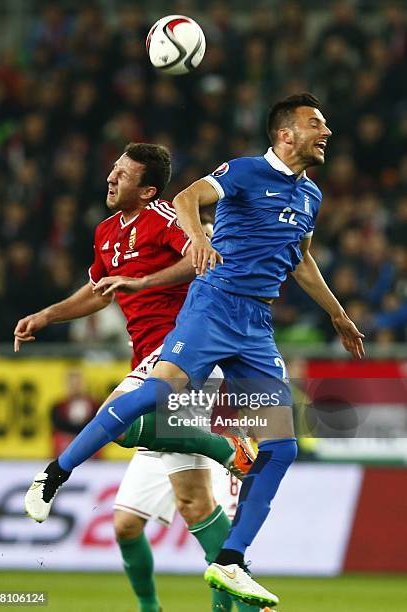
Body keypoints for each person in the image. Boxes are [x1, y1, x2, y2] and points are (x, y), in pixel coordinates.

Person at [22, 94, 365, 608]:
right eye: (317, 123)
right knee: (161, 392)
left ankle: (230, 562)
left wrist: (337, 313)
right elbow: (186, 199)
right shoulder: (246, 172)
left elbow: (301, 260)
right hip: (214, 305)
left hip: (255, 324)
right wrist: (196, 240)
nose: (327, 133)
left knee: (282, 448)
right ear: (285, 135)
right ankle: (56, 473)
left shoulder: (311, 196)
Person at [15, 142, 255, 612]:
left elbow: (199, 258)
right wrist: (48, 315)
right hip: (144, 357)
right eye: (113, 169)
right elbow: (98, 291)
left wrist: (144, 283)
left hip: (183, 351)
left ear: (147, 190)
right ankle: (225, 593)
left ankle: (224, 448)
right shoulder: (107, 231)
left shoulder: (164, 217)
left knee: (115, 418)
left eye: (123, 174)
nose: (111, 177)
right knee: (171, 511)